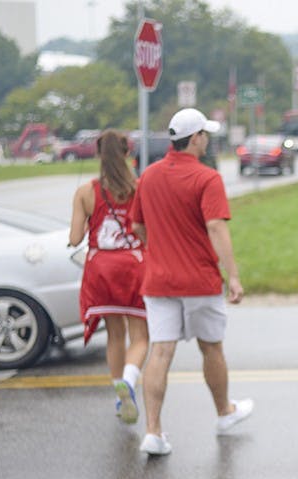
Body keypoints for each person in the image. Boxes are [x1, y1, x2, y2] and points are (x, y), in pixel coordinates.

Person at [129, 108, 253, 455]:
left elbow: (138, 226)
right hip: (199, 279)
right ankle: (224, 413)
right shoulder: (207, 178)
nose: (208, 140)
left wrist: (158, 246)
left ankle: (153, 431)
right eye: (205, 134)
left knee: (161, 351)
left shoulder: (148, 176)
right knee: (211, 347)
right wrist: (234, 276)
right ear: (195, 138)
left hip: (158, 281)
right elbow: (216, 226)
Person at [69, 130, 148, 425]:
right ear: (128, 154)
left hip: (100, 268)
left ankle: (119, 393)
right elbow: (145, 231)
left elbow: (76, 236)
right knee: (140, 336)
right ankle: (128, 379)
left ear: (98, 155)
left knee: (115, 334)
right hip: (133, 267)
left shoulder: (86, 192)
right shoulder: (139, 188)